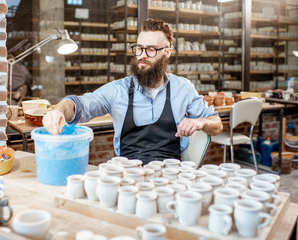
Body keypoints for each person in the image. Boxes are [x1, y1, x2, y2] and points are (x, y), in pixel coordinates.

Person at [43, 18, 223, 165]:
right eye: (139, 48)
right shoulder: (117, 90)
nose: (142, 55)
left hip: (171, 173)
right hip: (128, 172)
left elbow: (217, 124)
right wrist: (58, 111)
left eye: (151, 49)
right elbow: (79, 105)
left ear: (167, 52)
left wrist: (200, 122)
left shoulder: (183, 89)